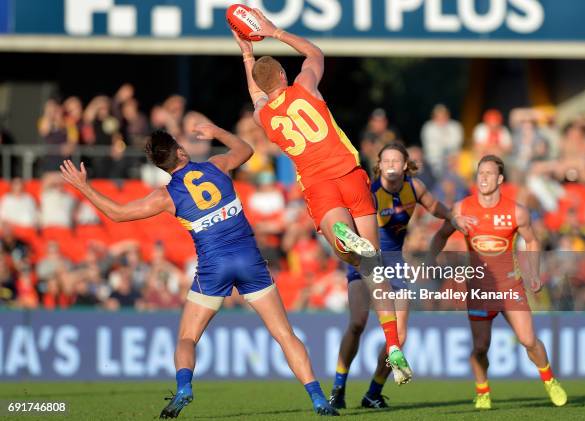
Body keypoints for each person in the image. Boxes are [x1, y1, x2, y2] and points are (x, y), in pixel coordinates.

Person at [59, 123, 338, 418]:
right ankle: (318, 398)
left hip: (213, 267)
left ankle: (183, 388)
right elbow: (246, 150)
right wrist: (217, 131)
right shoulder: (216, 166)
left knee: (187, 338)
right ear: (181, 151)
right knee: (284, 334)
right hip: (249, 260)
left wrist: (83, 187)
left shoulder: (166, 196)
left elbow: (117, 214)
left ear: (160, 166)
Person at [233, 8, 412, 385]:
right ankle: (393, 345)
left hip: (319, 183)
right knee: (374, 266)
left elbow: (256, 94)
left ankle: (342, 240)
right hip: (351, 174)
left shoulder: (263, 117)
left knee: (346, 251)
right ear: (284, 75)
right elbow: (315, 53)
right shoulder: (306, 89)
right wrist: (274, 31)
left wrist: (247, 54)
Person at [329, 143, 473, 409]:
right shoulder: (369, 190)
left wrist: (453, 218)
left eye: (397, 160)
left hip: (395, 263)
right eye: (387, 160)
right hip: (365, 260)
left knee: (400, 335)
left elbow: (434, 206)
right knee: (357, 323)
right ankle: (339, 385)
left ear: (406, 164)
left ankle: (373, 392)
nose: (392, 164)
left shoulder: (414, 187)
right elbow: (345, 222)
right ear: (380, 165)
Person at [429, 155, 567, 410]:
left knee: (528, 340)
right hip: (479, 289)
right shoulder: (462, 208)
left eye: (489, 173)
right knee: (480, 348)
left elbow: (533, 241)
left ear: (500, 179)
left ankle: (549, 380)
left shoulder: (516, 211)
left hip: (510, 286)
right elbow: (440, 235)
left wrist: (533, 272)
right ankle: (482, 391)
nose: (483, 178)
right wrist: (430, 260)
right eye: (480, 173)